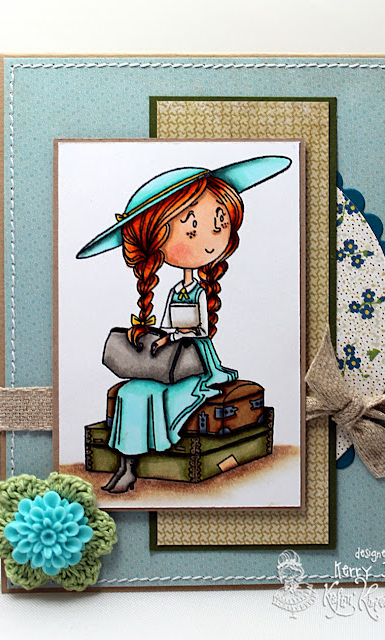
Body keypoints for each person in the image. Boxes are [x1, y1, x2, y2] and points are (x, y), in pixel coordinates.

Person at [77, 156, 291, 492]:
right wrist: (159, 338)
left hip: (197, 361)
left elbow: (200, 330)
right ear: (155, 241)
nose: (207, 240)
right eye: (191, 229)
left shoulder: (201, 291)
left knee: (167, 394)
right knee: (133, 391)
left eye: (219, 225)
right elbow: (166, 324)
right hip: (174, 357)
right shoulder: (175, 290)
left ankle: (133, 464)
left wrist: (177, 335)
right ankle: (125, 467)